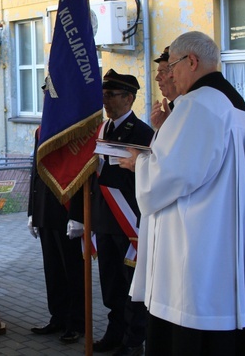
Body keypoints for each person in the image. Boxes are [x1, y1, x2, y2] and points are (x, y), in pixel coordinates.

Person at [120, 31, 245, 355]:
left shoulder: (198, 103)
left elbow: (172, 175)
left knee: (188, 334)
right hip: (222, 240)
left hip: (196, 247)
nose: (170, 75)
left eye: (173, 67)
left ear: (192, 61)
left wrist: (139, 163)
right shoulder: (231, 101)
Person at [85, 69, 154, 356]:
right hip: (105, 219)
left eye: (110, 95)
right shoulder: (103, 129)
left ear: (129, 98)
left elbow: (146, 177)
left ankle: (133, 340)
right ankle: (114, 332)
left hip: (129, 222)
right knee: (111, 283)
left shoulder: (142, 133)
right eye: (103, 95)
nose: (105, 101)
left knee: (131, 286)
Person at [28, 77, 85, 344]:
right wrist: (31, 211)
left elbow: (81, 176)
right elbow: (35, 173)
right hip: (45, 211)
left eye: (51, 95)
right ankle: (58, 317)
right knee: (52, 269)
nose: (46, 100)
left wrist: (78, 216)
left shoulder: (75, 131)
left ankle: (77, 322)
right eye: (45, 95)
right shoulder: (42, 131)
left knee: (72, 269)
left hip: (66, 212)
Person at [150, 46, 179, 130]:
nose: (157, 78)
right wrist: (162, 128)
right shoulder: (172, 107)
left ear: (175, 74)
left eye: (162, 72)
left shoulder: (189, 108)